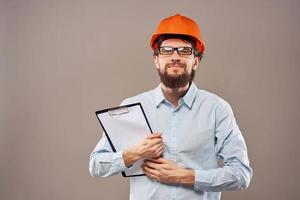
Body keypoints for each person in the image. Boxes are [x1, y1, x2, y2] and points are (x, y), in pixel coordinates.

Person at [89, 13, 253, 200]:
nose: (175, 57)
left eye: (184, 51)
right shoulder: (132, 106)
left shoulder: (217, 109)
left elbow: (241, 174)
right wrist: (134, 153)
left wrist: (185, 176)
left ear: (196, 61)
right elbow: (95, 165)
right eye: (167, 50)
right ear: (156, 60)